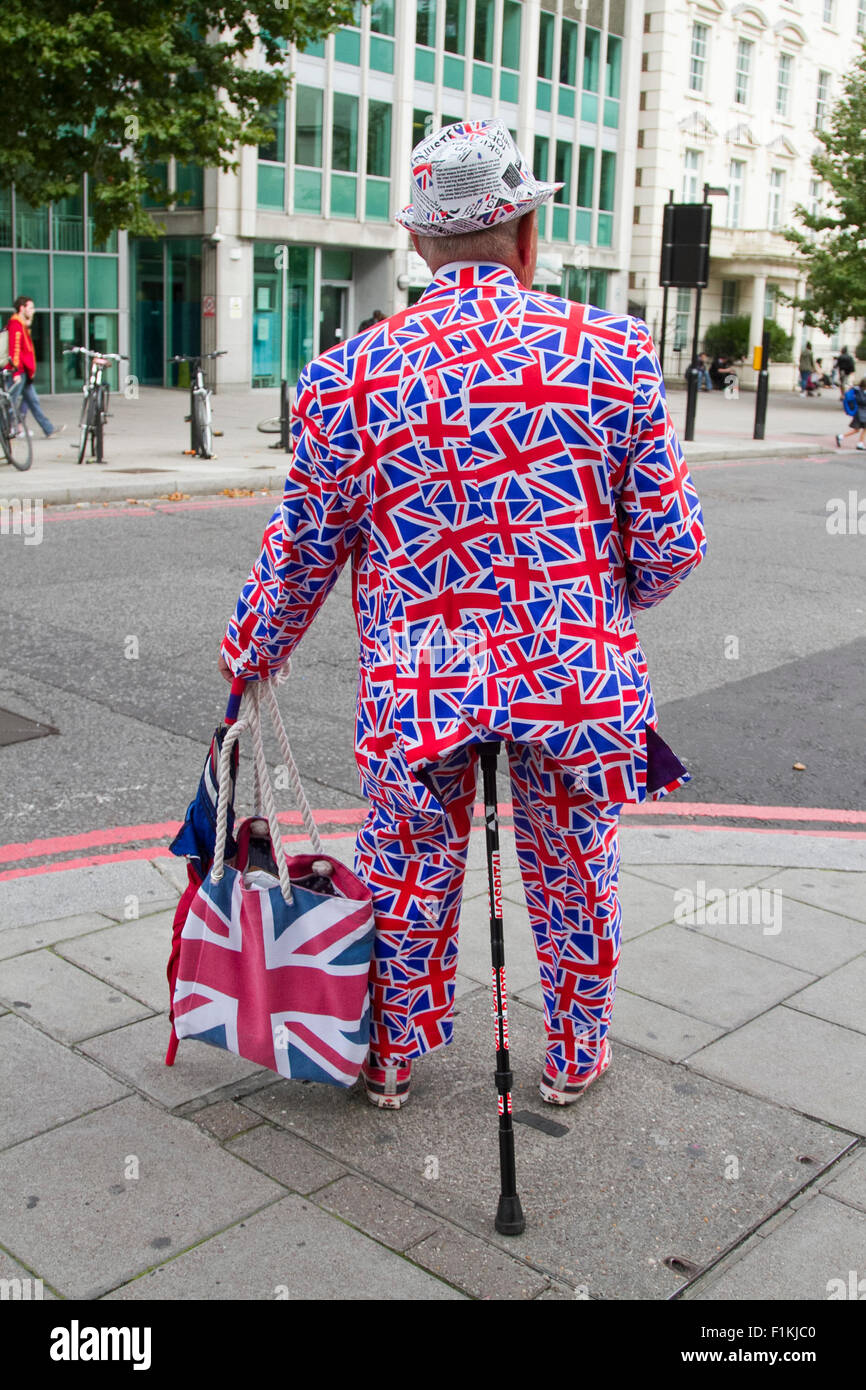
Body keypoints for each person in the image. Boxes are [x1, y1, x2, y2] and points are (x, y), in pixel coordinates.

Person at [219, 120, 707, 1111]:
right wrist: (599, 598)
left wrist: (250, 652)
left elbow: (302, 550)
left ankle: (390, 1054)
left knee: (406, 867)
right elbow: (669, 545)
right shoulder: (611, 351)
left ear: (417, 245)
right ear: (525, 234)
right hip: (567, 677)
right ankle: (572, 1051)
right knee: (572, 863)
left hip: (419, 683)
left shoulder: (347, 374)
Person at [3, 296, 64, 438]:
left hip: (24, 372)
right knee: (9, 403)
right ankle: (6, 430)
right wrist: (15, 372)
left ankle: (48, 429)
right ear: (22, 308)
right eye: (30, 308)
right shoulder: (15, 325)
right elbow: (15, 350)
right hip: (19, 372)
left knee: (33, 401)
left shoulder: (21, 325)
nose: (33, 311)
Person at [836, 376, 866, 450]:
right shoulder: (860, 391)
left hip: (862, 412)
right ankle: (842, 437)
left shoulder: (859, 390)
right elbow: (862, 401)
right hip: (860, 413)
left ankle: (859, 443)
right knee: (858, 429)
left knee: (860, 429)